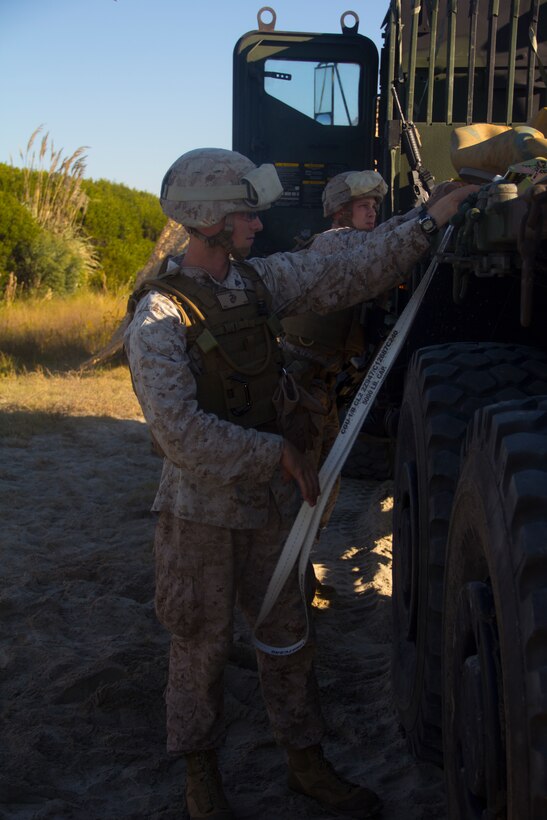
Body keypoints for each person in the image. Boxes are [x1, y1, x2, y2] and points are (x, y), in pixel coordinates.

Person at [124, 147, 475, 820]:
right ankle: (203, 783)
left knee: (287, 635)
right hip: (200, 512)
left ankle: (304, 763)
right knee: (198, 645)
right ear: (207, 222)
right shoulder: (159, 320)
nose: (257, 227)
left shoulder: (256, 284)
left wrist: (432, 217)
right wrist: (275, 453)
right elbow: (179, 434)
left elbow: (343, 269)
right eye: (244, 216)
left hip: (266, 509)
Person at [280, 170, 390, 541]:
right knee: (302, 480)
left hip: (320, 383)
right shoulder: (335, 243)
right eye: (363, 206)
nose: (372, 213)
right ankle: (288, 575)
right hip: (303, 379)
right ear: (341, 212)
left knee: (325, 476)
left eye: (374, 206)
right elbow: (385, 250)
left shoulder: (354, 244)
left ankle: (301, 565)